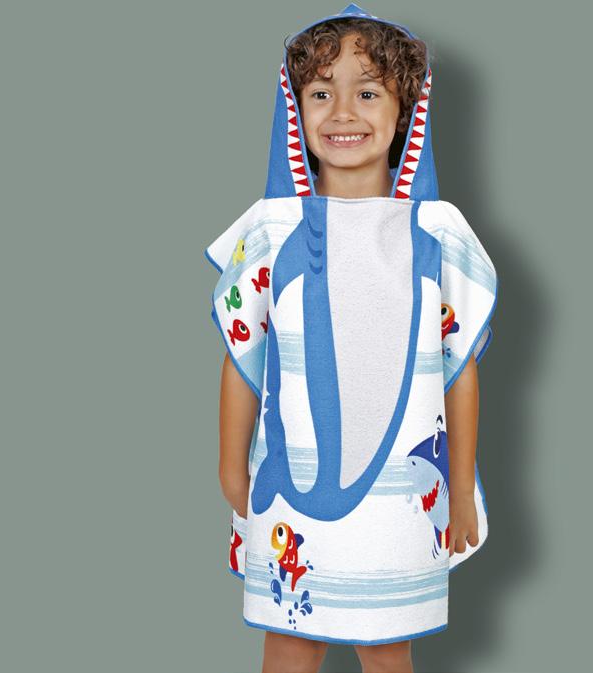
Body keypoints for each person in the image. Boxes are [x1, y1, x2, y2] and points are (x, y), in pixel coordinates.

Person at [203, 4, 498, 672]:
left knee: (385, 642)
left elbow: (458, 370)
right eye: (320, 92)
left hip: (400, 500)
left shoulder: (437, 234)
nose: (342, 112)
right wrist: (228, 466)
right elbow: (242, 354)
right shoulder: (271, 230)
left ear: (405, 111)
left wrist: (458, 488)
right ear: (294, 109)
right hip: (287, 490)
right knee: (289, 637)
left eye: (367, 93)